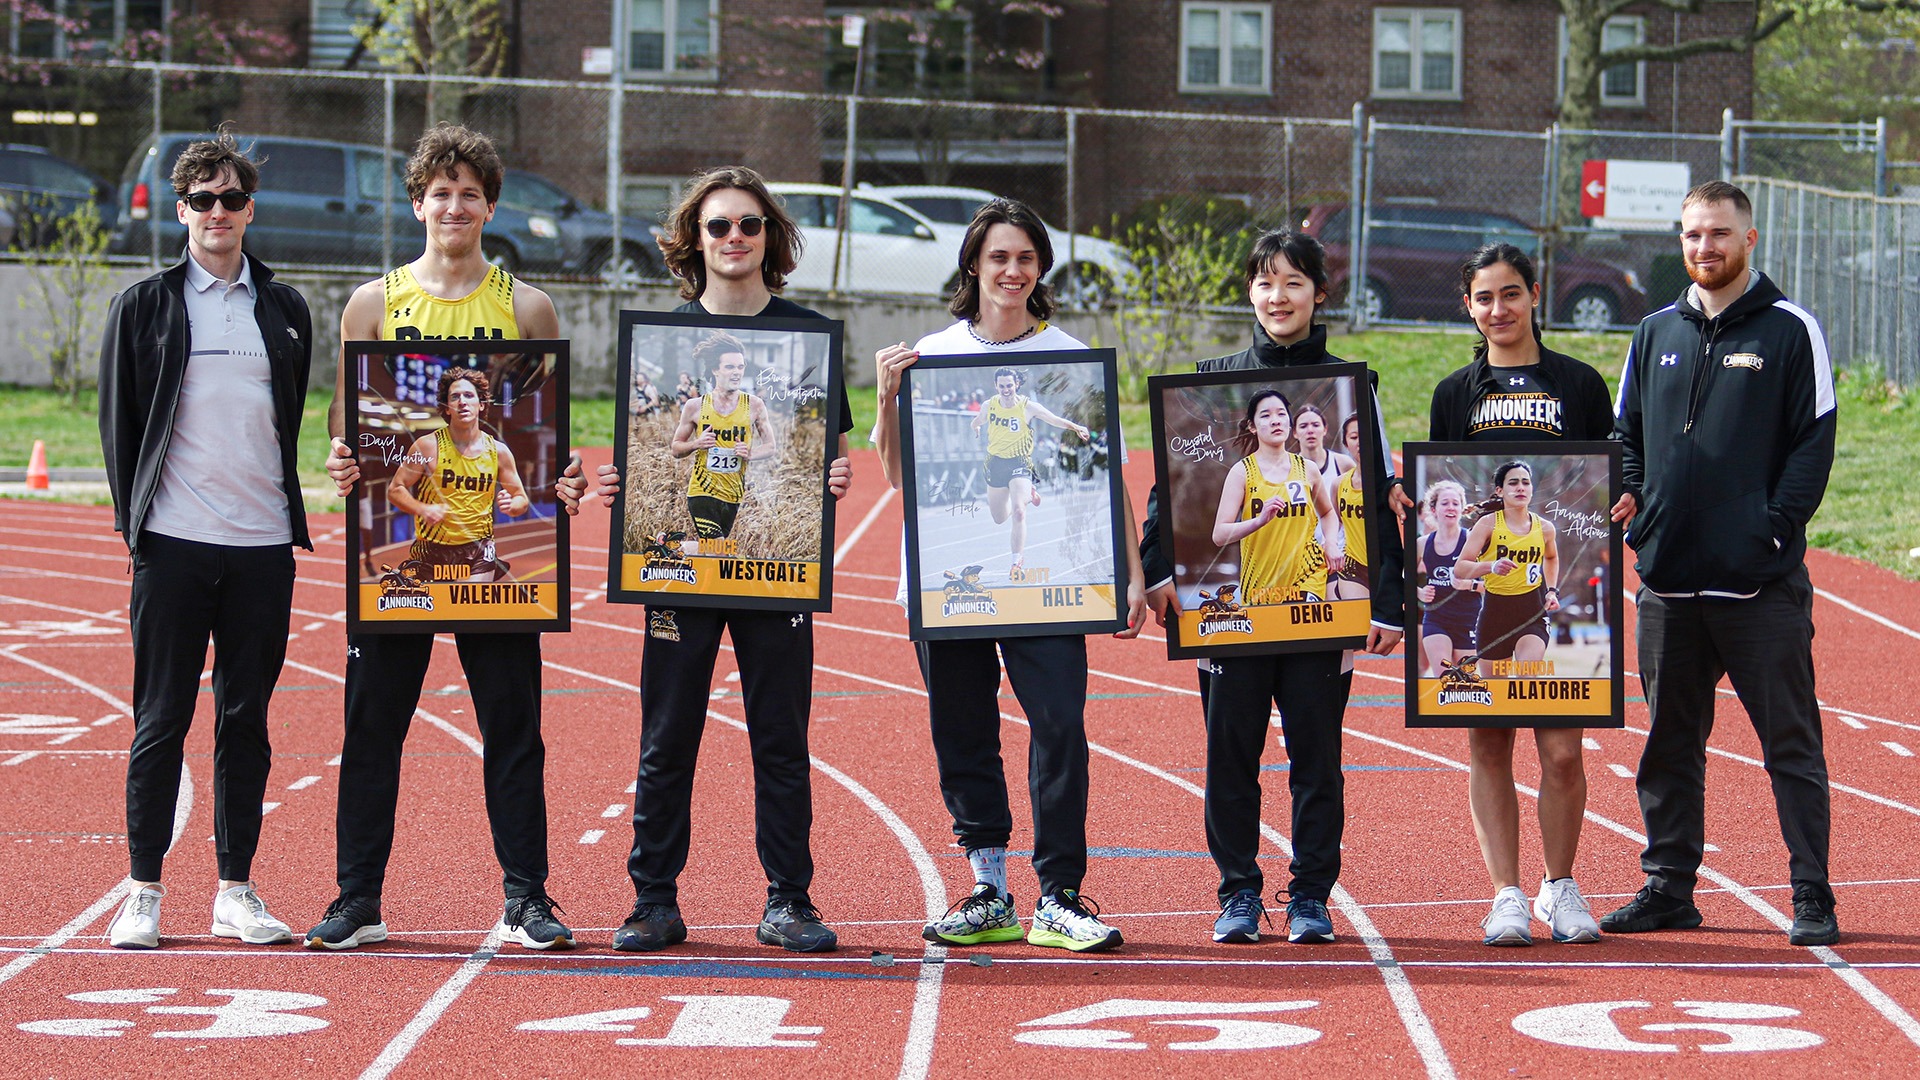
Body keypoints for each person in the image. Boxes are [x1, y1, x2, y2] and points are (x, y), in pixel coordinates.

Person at [311, 123, 588, 951]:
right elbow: (344, 414)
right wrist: (337, 455)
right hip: (397, 553)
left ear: (490, 204)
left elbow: (544, 440)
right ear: (417, 203)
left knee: (512, 726)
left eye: (470, 192)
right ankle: (357, 898)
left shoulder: (526, 305)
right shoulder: (375, 302)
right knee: (372, 726)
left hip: (499, 569)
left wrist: (560, 483)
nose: (455, 205)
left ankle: (528, 899)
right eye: (440, 192)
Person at [593, 165, 853, 954]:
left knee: (779, 735)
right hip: (681, 575)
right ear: (694, 240)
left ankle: (789, 901)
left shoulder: (808, 335)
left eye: (749, 224)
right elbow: (647, 454)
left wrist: (834, 475)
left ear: (770, 237)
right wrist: (618, 480)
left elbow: (825, 461)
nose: (734, 238)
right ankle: (653, 901)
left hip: (774, 570)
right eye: (718, 225)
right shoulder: (667, 343)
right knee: (668, 734)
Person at [875, 198, 1147, 953]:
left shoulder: (1069, 357)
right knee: (963, 730)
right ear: (973, 265)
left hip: (1053, 582)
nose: (1012, 270)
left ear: (1041, 269)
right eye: (998, 256)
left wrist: (1129, 574)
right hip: (948, 581)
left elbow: (1105, 478)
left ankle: (1059, 895)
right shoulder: (930, 356)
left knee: (1059, 724)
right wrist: (888, 398)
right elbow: (899, 478)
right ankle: (989, 887)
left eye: (1025, 257)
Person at [1137, 228, 1405, 946]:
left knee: (1317, 758)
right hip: (1236, 621)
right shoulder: (1211, 379)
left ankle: (1311, 895)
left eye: (1293, 282)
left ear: (1320, 292)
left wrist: (1387, 600)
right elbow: (1167, 500)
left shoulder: (1355, 387)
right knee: (1231, 758)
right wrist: (1158, 571)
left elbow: (1375, 502)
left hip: (1318, 616)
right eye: (1264, 282)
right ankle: (1239, 895)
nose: (1277, 296)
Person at [1605, 180, 1839, 946]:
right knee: (1669, 743)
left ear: (1749, 239)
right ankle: (1669, 888)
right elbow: (1626, 435)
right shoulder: (1653, 331)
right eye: (1692, 235)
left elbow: (1814, 441)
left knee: (1791, 744)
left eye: (1718, 234)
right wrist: (1641, 518)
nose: (1703, 248)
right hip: (1670, 582)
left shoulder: (1789, 330)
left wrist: (1772, 531)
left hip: (1759, 585)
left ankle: (1812, 894)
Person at [97, 130, 312, 950]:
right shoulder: (145, 305)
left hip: (262, 548)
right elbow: (121, 429)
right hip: (174, 546)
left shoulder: (285, 308)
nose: (216, 212)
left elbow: (285, 419)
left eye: (230, 199)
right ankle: (143, 892)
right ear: (181, 210)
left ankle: (236, 889)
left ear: (249, 209)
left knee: (246, 721)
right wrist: (140, 530)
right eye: (200, 200)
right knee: (160, 721)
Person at [1426, 243, 1612, 947]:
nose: (1497, 310)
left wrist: (1608, 516)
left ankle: (1559, 886)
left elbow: (1598, 493)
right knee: (1490, 742)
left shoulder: (1580, 385)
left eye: (1510, 294)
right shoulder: (1454, 394)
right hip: (1485, 611)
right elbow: (1441, 502)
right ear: (1467, 307)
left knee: (1563, 751)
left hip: (1542, 611)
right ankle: (1505, 893)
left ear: (1535, 295)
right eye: (1483, 298)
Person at [387, 366, 530, 584]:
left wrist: (513, 505)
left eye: (468, 395)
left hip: (479, 548)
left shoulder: (498, 452)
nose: (462, 401)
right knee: (438, 615)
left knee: (469, 609)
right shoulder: (427, 447)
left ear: (481, 405)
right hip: (432, 549)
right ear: (446, 408)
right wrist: (423, 508)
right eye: (455, 397)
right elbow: (396, 489)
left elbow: (521, 498)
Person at [1210, 389, 1344, 607]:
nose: (1275, 421)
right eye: (1265, 415)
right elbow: (1219, 534)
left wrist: (1331, 543)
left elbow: (1328, 513)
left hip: (1307, 577)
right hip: (1260, 587)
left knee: (1304, 636)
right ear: (1252, 426)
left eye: (1281, 414)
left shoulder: (1307, 469)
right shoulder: (1242, 472)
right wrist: (1259, 521)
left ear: (1289, 423)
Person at [972, 365, 1088, 575]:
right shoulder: (989, 405)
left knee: (1018, 512)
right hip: (996, 463)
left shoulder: (1028, 406)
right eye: (1002, 386)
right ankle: (1028, 495)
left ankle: (1016, 561)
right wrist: (976, 426)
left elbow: (1054, 419)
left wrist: (1076, 427)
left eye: (1009, 385)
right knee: (999, 518)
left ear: (1016, 384)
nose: (1006, 390)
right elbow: (979, 419)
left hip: (1020, 462)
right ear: (996, 386)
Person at [672, 330, 775, 540]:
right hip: (702, 491)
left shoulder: (754, 405)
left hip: (733, 494)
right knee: (719, 549)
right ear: (715, 370)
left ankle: (673, 553)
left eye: (740, 367)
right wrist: (696, 444)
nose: (736, 372)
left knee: (714, 552)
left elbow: (770, 446)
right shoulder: (695, 406)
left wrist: (750, 453)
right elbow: (675, 448)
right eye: (729, 367)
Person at [1416, 480, 1478, 675]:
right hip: (1436, 618)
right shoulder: (1422, 544)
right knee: (1445, 677)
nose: (1450, 507)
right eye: (1445, 503)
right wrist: (1418, 591)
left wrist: (1469, 585)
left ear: (1462, 509)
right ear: (1433, 510)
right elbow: (1400, 577)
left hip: (1469, 620)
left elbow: (1496, 582)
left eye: (1455, 503)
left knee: (1466, 683)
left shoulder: (1472, 540)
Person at [1328, 414, 1370, 601]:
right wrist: (1330, 545)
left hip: (1386, 566)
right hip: (1353, 565)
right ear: (1346, 444)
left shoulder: (1389, 484)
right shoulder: (1338, 484)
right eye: (1354, 437)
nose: (1360, 442)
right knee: (1359, 624)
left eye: (1365, 435)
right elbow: (1335, 522)